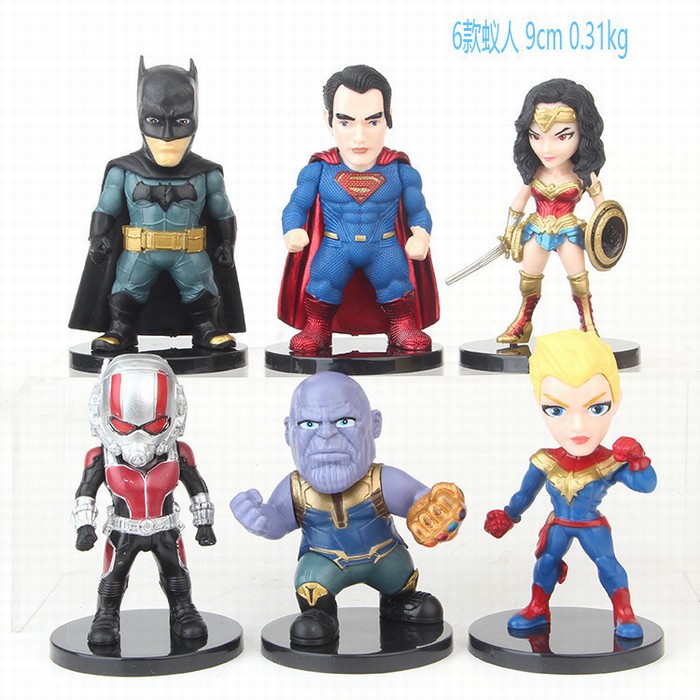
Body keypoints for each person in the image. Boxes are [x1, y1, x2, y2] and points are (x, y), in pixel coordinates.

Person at [231, 371, 465, 646]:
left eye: (345, 421)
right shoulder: (296, 487)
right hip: (325, 562)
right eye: (309, 424)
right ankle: (321, 614)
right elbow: (279, 520)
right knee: (311, 589)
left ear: (374, 424)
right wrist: (261, 519)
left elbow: (417, 497)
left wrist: (433, 504)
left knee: (412, 591)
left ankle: (399, 601)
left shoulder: (379, 479)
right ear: (288, 431)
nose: (326, 435)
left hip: (384, 557)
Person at [484, 330, 656, 638]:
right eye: (556, 410)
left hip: (591, 525)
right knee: (545, 563)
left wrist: (639, 459)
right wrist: (509, 515)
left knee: (608, 564)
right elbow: (525, 494)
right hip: (559, 524)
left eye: (596, 408)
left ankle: (624, 614)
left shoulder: (609, 461)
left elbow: (645, 485)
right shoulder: (546, 460)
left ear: (616, 401)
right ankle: (538, 607)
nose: (577, 426)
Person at [70, 58, 245, 352]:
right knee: (126, 291)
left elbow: (222, 213)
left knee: (201, 291)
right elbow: (105, 208)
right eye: (154, 121)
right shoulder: (125, 170)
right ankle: (120, 331)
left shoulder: (206, 173)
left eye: (180, 122)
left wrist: (227, 243)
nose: (166, 136)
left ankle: (206, 329)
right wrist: (97, 237)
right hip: (140, 251)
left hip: (189, 251)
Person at [278, 65, 439, 353]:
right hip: (336, 246)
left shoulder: (400, 170)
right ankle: (317, 327)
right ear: (329, 121)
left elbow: (417, 210)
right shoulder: (319, 169)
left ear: (388, 119)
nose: (360, 137)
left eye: (372, 122)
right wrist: (292, 230)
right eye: (346, 122)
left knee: (396, 284)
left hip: (384, 246)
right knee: (322, 283)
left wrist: (421, 235)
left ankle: (401, 325)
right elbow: (297, 205)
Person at [72, 354, 216, 645]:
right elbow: (85, 494)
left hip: (167, 530)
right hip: (123, 531)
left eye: (154, 425)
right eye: (124, 427)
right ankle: (106, 615)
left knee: (177, 577)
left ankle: (183, 610)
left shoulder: (178, 452)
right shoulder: (101, 456)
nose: (140, 438)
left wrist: (204, 525)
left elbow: (198, 489)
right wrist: (84, 528)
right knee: (112, 580)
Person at [498, 79, 606, 344]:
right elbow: (518, 202)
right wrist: (510, 231)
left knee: (579, 282)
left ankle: (588, 324)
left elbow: (604, 210)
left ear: (582, 133)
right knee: (528, 281)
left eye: (562, 136)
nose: (546, 148)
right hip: (536, 230)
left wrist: (604, 238)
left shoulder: (583, 174)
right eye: (536, 136)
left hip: (569, 231)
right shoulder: (534, 172)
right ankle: (522, 323)